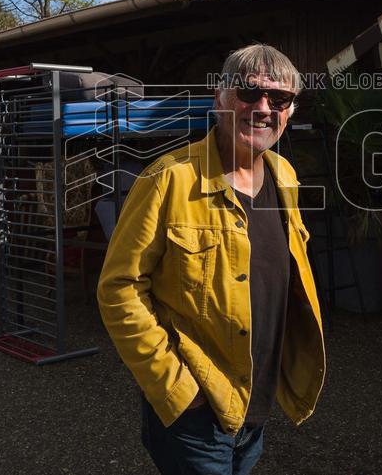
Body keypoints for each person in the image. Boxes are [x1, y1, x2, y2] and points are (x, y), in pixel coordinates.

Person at [97, 44, 325, 474]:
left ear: (290, 112)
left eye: (279, 99)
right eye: (248, 92)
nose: (262, 108)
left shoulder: (285, 177)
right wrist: (177, 389)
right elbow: (119, 288)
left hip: (257, 402)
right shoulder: (168, 179)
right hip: (196, 412)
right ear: (220, 98)